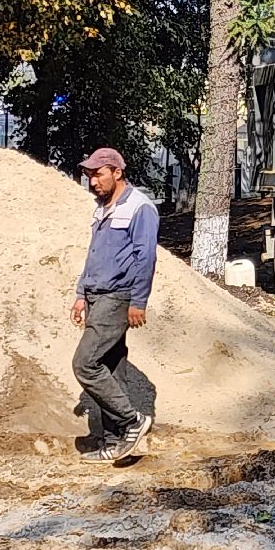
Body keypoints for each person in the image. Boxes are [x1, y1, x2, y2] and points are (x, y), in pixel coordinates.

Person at [71, 147, 158, 462]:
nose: (92, 181)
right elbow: (94, 253)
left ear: (117, 173)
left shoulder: (139, 208)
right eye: (90, 175)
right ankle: (114, 444)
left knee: (84, 363)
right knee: (110, 367)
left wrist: (139, 301)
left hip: (117, 296)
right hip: (96, 294)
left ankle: (132, 420)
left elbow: (146, 258)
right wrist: (81, 294)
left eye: (98, 174)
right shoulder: (102, 208)